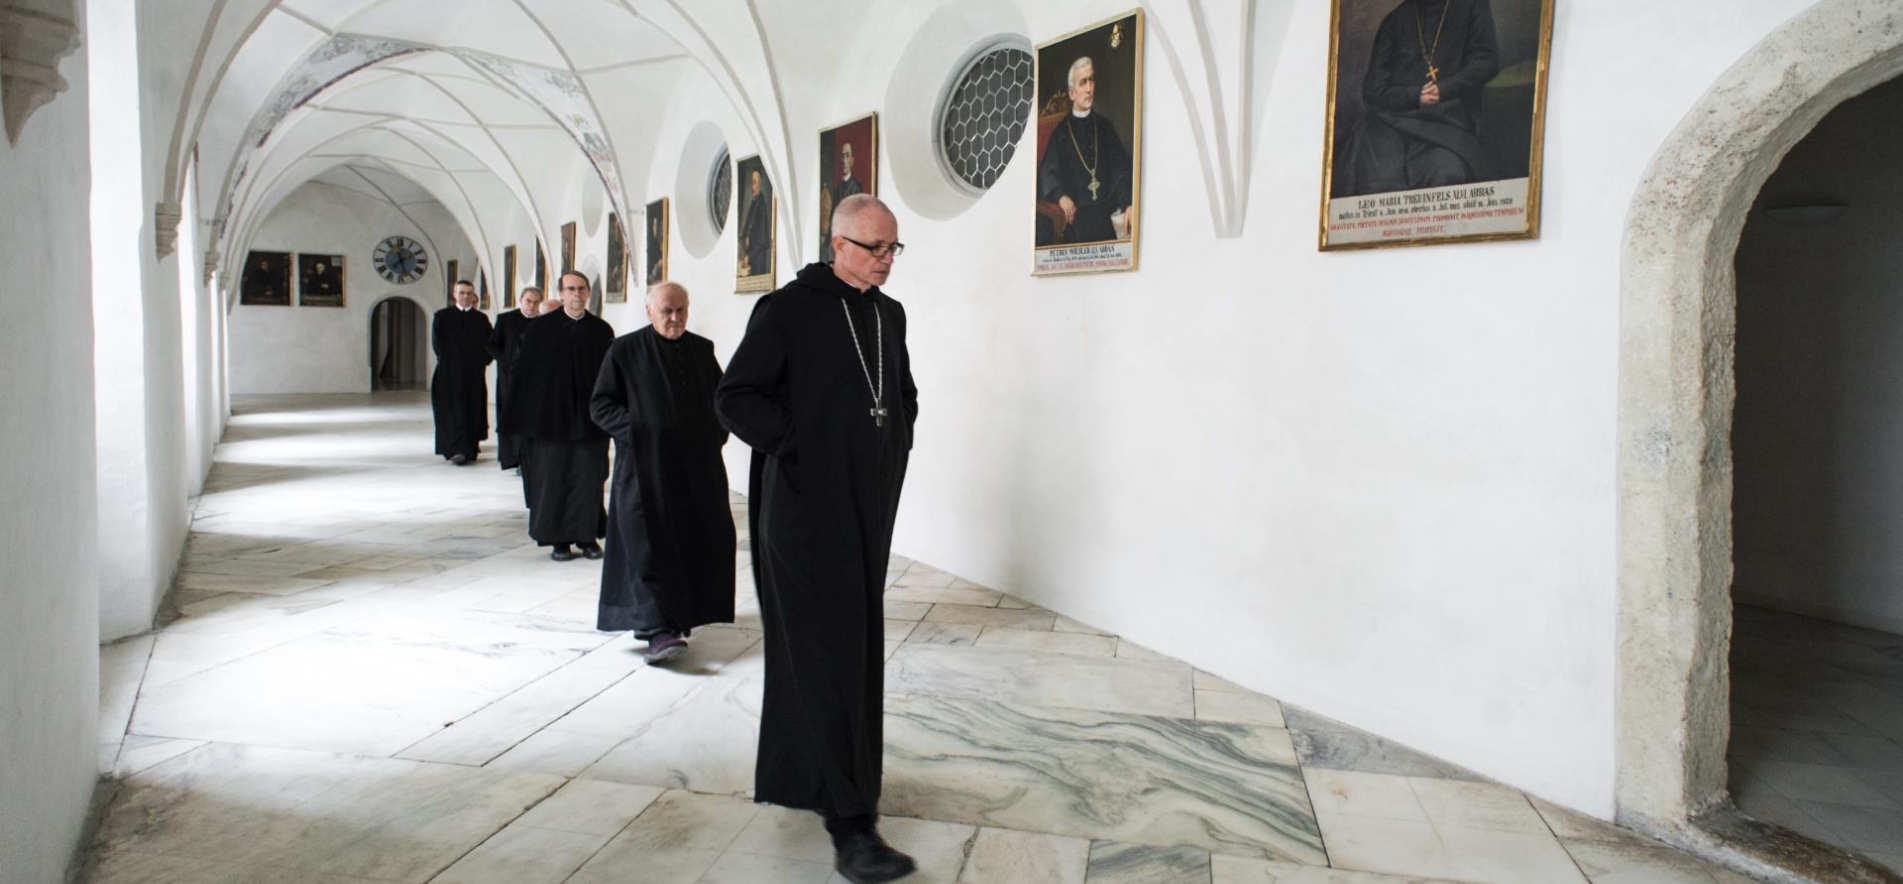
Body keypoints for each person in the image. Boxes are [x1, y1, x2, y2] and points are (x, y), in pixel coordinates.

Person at [716, 194, 919, 884]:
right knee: (828, 652)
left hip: (865, 511)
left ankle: (818, 778)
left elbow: (903, 397)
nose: (886, 261)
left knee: (849, 649)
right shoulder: (788, 309)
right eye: (874, 248)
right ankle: (851, 824)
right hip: (802, 516)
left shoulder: (887, 314)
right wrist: (802, 448)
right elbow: (736, 396)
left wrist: (888, 448)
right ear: (837, 244)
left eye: (894, 249)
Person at [589, 281, 735, 662]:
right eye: (667, 311)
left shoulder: (702, 350)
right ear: (649, 312)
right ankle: (656, 629)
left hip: (694, 471)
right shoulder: (623, 351)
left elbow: (719, 400)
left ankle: (681, 616)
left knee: (691, 542)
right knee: (646, 545)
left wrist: (716, 433)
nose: (675, 318)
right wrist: (642, 429)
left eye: (681, 311)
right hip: (644, 472)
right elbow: (601, 405)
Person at [500, 272, 615, 562]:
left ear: (588, 293)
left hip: (588, 422)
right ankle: (558, 540)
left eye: (581, 289)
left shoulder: (601, 330)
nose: (576, 294)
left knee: (589, 479)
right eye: (570, 289)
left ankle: (587, 537)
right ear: (561, 293)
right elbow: (522, 376)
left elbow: (611, 376)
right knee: (553, 480)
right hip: (549, 423)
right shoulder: (540, 330)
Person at [1335, 0, 1499, 196]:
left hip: (1445, 122)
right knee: (1380, 181)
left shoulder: (1471, 5)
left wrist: (1443, 89)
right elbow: (1373, 89)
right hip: (1390, 121)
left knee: (1446, 175)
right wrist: (1414, 97)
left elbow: (1486, 61)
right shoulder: (1394, 20)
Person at [1037, 55, 1134, 245]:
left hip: (1108, 211)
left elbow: (1121, 167)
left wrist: (1127, 203)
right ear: (1072, 93)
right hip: (1077, 218)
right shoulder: (1062, 133)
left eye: (1091, 80)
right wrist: (1060, 196)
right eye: (1083, 83)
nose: (1090, 88)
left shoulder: (1104, 127)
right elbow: (1048, 173)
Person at [430, 280, 493, 465]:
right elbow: (437, 346)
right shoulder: (442, 316)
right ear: (454, 294)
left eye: (469, 293)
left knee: (471, 410)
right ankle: (452, 449)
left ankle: (468, 449)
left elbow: (489, 345)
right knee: (450, 411)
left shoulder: (481, 319)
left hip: (473, 376)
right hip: (448, 374)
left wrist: (479, 363)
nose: (465, 296)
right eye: (462, 292)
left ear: (473, 296)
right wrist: (453, 363)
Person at [486, 286, 544, 471]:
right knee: (509, 417)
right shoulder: (505, 320)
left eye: (536, 302)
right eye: (528, 301)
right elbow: (492, 345)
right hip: (508, 380)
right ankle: (511, 457)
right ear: (521, 300)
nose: (532, 305)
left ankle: (527, 457)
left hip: (534, 380)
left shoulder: (543, 323)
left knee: (530, 419)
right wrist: (505, 360)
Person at [819, 141, 866, 262]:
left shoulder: (856, 188)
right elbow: (832, 220)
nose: (844, 160)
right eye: (842, 156)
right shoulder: (837, 189)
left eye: (847, 156)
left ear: (852, 160)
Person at [740, 169, 771, 277]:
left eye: (754, 183)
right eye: (751, 183)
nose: (752, 188)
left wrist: (750, 257)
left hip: (757, 258)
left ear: (760, 184)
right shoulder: (754, 204)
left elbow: (761, 241)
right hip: (751, 256)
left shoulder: (761, 204)